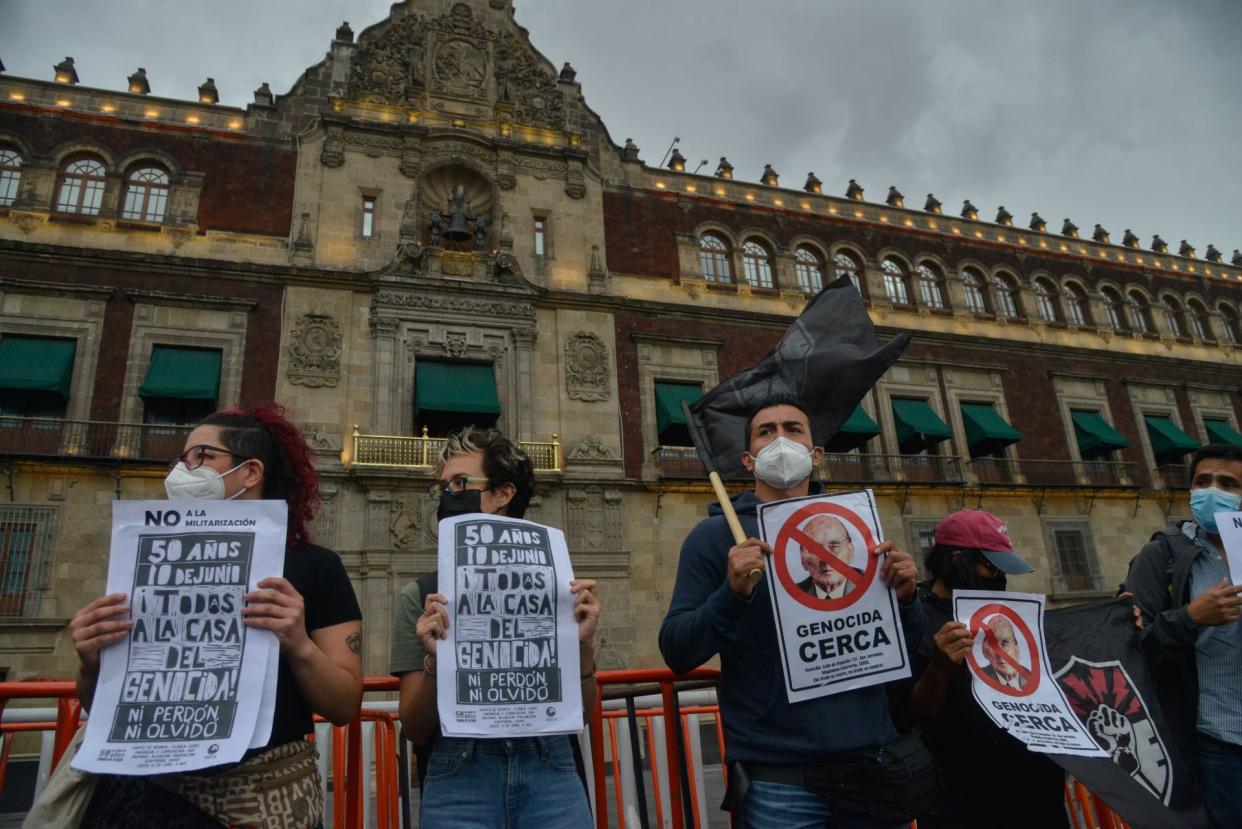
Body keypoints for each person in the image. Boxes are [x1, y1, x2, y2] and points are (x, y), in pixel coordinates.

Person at [68, 405, 363, 829]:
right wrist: (91, 661)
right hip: (143, 798)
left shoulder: (316, 567)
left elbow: (343, 704)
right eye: (181, 459)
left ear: (251, 472)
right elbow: (101, 705)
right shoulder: (149, 560)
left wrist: (298, 644)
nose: (183, 470)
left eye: (202, 457)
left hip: (260, 799)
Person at [659, 393, 925, 828]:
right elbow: (676, 649)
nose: (780, 439)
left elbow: (906, 655)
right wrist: (731, 593)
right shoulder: (712, 538)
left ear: (815, 454)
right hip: (779, 782)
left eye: (792, 429)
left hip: (872, 771)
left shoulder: (856, 528)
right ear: (748, 459)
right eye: (767, 432)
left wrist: (908, 599)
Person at [390, 426, 600, 828]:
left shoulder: (558, 588)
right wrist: (435, 662)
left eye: (461, 483)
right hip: (459, 775)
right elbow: (415, 728)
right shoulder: (420, 597)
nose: (448, 496)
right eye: (443, 487)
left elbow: (583, 717)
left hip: (550, 765)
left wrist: (584, 647)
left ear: (503, 494)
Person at [908, 508, 1068, 829]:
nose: (1000, 578)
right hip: (961, 796)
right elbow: (915, 712)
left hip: (1035, 790)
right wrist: (939, 667)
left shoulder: (1011, 612)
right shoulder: (915, 616)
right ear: (955, 559)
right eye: (990, 567)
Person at [1125, 443, 1242, 829]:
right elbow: (1129, 650)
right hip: (1214, 743)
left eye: (1227, 484)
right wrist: (1191, 617)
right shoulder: (1161, 557)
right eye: (1202, 481)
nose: (1211, 490)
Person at [796, 515, 858, 600]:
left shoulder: (873, 583)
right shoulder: (789, 597)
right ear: (803, 560)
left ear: (850, 552)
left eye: (834, 546)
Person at [979, 615, 1029, 690]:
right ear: (984, 651)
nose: (1001, 654)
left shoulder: (1032, 677)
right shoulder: (978, 676)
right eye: (993, 644)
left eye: (1005, 643)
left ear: (1017, 648)